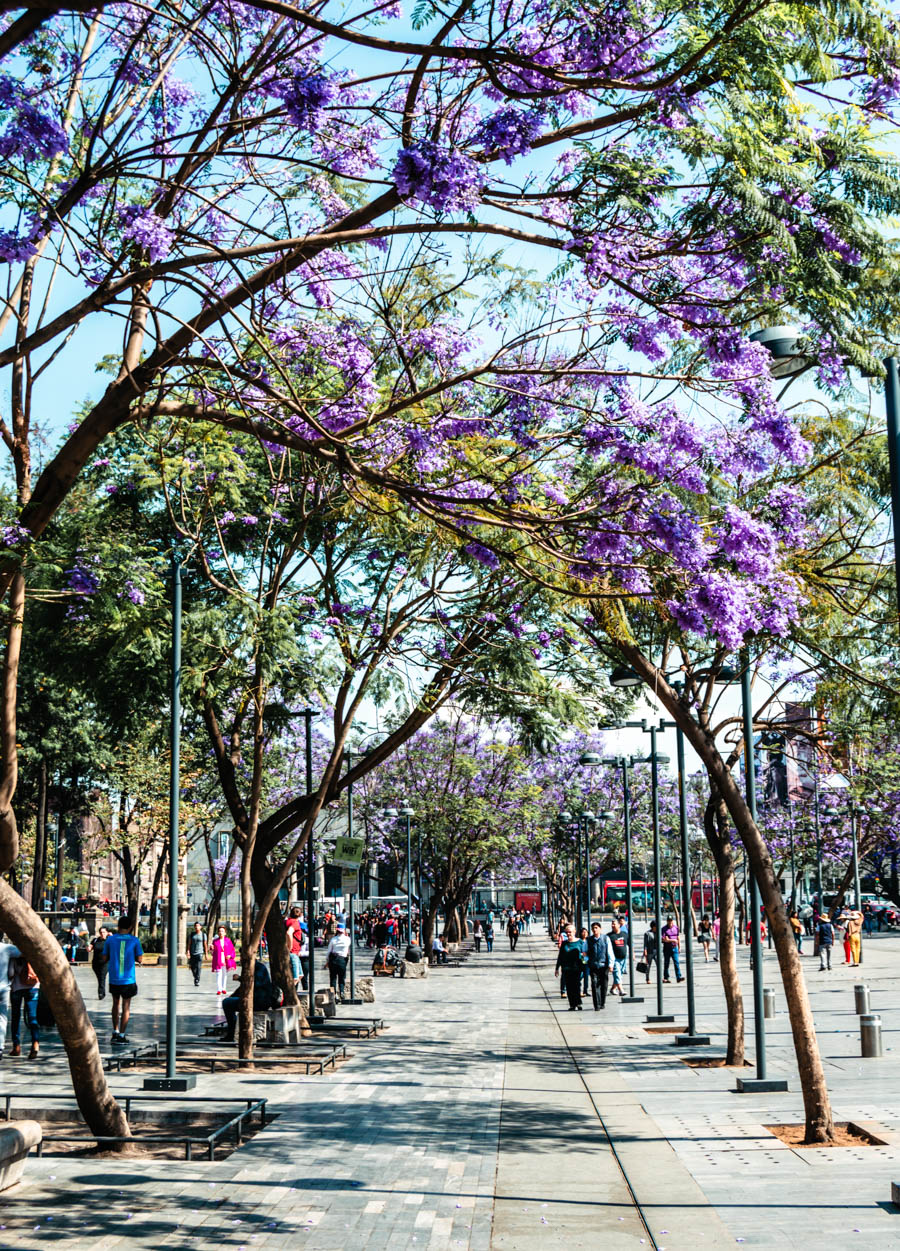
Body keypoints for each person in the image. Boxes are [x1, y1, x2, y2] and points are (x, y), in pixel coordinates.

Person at [104, 915, 143, 1044]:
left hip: (114, 977)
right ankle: (122, 1034)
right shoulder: (134, 940)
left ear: (118, 926)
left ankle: (114, 1031)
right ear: (130, 927)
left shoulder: (110, 940)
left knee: (115, 1004)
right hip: (128, 979)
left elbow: (104, 957)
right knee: (126, 1007)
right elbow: (140, 958)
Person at [220, 960, 280, 1042]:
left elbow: (253, 983)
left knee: (227, 1003)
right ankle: (231, 1031)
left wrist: (240, 978)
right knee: (228, 1001)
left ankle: (232, 1032)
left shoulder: (259, 967)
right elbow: (243, 987)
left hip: (260, 1001)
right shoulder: (252, 967)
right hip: (253, 999)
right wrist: (233, 995)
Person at [9, 954, 39, 1058]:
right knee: (32, 1017)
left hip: (17, 988)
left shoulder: (14, 955)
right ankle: (35, 1043)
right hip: (33, 987)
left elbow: (11, 973)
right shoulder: (33, 955)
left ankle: (16, 1046)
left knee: (15, 1017)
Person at [555, 924, 586, 1010]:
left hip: (577, 968)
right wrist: (557, 968)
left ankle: (578, 1003)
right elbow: (560, 956)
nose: (568, 934)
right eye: (567, 932)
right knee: (569, 987)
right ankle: (572, 1004)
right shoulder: (564, 944)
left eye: (570, 932)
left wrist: (585, 965)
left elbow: (585, 955)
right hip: (566, 968)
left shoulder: (581, 943)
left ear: (574, 932)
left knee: (576, 985)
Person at [587, 922, 612, 1010]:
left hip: (604, 965)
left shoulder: (605, 938)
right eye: (593, 928)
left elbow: (609, 952)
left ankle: (602, 1002)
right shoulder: (589, 940)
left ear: (600, 929)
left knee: (603, 985)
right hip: (593, 966)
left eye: (596, 928)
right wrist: (586, 962)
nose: (595, 929)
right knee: (594, 984)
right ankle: (596, 1005)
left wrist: (611, 964)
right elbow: (584, 953)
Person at [325, 924, 351, 998]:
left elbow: (329, 951)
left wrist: (327, 961)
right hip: (342, 959)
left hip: (333, 960)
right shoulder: (347, 939)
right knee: (342, 977)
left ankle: (333, 994)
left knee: (333, 978)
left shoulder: (333, 939)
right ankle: (342, 991)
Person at [211, 926, 237, 995]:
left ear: (225, 933)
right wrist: (211, 949)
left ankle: (224, 988)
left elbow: (232, 950)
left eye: (222, 931)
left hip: (225, 959)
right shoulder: (215, 941)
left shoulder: (228, 941)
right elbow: (212, 953)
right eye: (219, 931)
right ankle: (219, 989)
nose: (221, 932)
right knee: (218, 974)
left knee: (224, 974)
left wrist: (230, 956)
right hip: (218, 959)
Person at [662, 916, 683, 983]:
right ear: (667, 921)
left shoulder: (676, 928)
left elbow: (678, 937)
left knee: (676, 962)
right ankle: (666, 977)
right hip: (667, 948)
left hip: (675, 948)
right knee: (666, 963)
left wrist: (679, 947)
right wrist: (673, 940)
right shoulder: (664, 929)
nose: (670, 922)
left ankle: (678, 977)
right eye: (668, 920)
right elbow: (664, 939)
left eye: (671, 920)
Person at [91, 925, 110, 999]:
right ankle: (102, 992)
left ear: (107, 933)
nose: (102, 934)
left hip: (105, 962)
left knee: (102, 977)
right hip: (95, 963)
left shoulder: (109, 940)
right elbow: (90, 947)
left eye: (104, 932)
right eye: (101, 932)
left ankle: (101, 993)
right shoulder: (95, 940)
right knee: (100, 977)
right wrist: (88, 947)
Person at [609, 919, 627, 995]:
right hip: (614, 959)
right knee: (617, 973)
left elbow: (628, 944)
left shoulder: (624, 934)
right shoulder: (609, 936)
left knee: (620, 974)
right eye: (612, 924)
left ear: (619, 925)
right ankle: (621, 990)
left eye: (614, 924)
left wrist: (633, 953)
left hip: (623, 958)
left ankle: (613, 989)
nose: (613, 926)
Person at [188, 922, 207, 987]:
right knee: (192, 967)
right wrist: (188, 951)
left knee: (198, 967)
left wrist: (206, 953)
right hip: (192, 953)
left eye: (198, 926)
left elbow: (205, 944)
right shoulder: (192, 934)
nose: (196, 927)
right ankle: (196, 976)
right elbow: (189, 943)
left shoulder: (203, 934)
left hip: (200, 953)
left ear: (200, 927)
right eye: (195, 926)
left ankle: (197, 980)